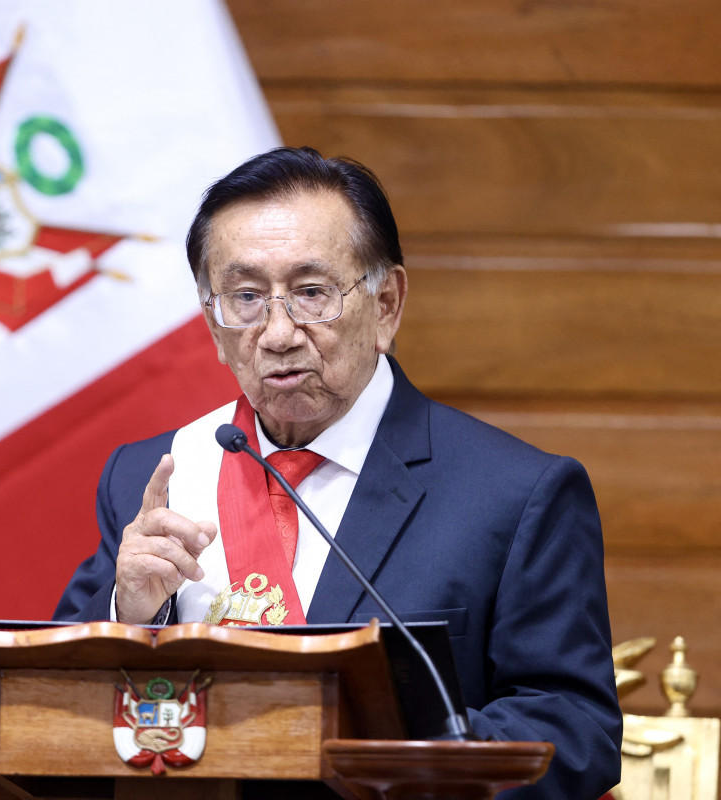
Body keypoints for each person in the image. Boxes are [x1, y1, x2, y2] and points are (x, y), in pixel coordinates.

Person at [53, 146, 622, 798]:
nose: (277, 333)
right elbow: (49, 716)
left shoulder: (514, 495)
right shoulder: (151, 477)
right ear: (213, 327)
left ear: (386, 305)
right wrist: (129, 611)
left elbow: (575, 729)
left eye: (311, 293)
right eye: (244, 297)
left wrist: (404, 772)